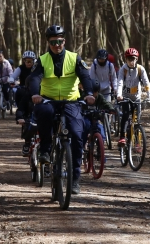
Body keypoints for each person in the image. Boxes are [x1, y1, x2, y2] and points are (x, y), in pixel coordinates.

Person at [27, 26, 96, 194]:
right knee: (44, 113)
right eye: (53, 42)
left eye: (59, 41)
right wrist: (36, 94)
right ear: (48, 43)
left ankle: (75, 179)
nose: (57, 45)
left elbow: (85, 77)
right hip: (48, 100)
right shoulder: (42, 60)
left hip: (71, 101)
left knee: (77, 133)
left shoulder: (74, 58)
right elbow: (34, 78)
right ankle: (45, 150)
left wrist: (88, 93)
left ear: (64, 41)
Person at [115, 47, 150, 145]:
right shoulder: (123, 69)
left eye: (133, 59)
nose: (131, 62)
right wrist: (119, 95)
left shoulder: (140, 69)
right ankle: (122, 137)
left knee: (137, 120)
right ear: (126, 60)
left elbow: (146, 84)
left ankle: (137, 143)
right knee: (125, 115)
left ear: (136, 59)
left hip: (137, 98)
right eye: (129, 59)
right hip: (125, 98)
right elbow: (119, 83)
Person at [12, 51, 38, 154]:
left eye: (30, 61)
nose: (28, 63)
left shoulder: (38, 69)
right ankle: (27, 143)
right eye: (26, 61)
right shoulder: (20, 69)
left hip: (40, 114)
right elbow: (21, 108)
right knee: (28, 125)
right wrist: (19, 117)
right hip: (28, 112)